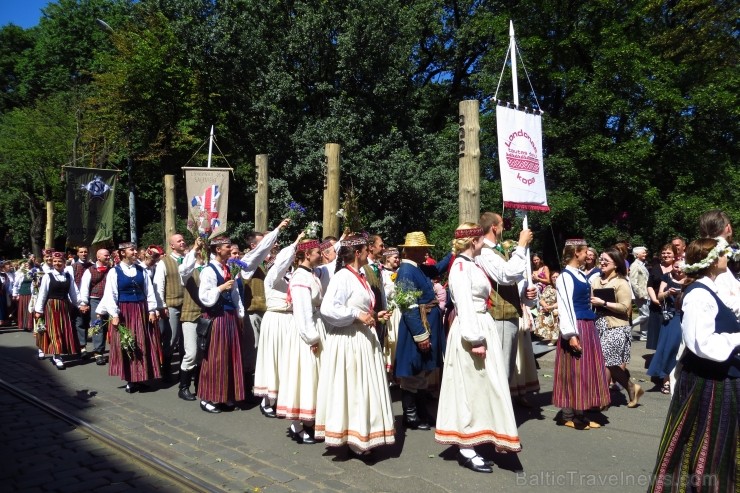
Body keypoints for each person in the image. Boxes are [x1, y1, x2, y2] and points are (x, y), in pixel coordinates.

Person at [649, 238, 739, 493]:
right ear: (711, 260)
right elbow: (701, 343)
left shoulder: (713, 289)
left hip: (721, 376)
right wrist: (738, 338)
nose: (727, 257)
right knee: (704, 442)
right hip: (708, 381)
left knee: (719, 442)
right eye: (723, 254)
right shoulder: (699, 294)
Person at [435, 224, 521, 474]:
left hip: (483, 325)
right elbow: (464, 305)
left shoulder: (472, 264)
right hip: (471, 331)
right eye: (481, 237)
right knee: (469, 388)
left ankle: (482, 435)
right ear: (473, 241)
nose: (484, 241)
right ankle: (466, 447)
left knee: (483, 386)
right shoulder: (461, 268)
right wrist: (475, 339)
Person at [316, 233, 394, 459]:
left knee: (363, 388)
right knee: (353, 388)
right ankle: (353, 438)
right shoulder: (342, 276)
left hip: (362, 339)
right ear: (358, 253)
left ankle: (362, 434)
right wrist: (356, 314)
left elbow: (359, 305)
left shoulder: (359, 275)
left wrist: (373, 314)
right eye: (365, 248)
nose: (369, 251)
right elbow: (328, 309)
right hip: (349, 340)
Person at [553, 239, 610, 430]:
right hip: (576, 326)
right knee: (574, 370)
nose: (588, 255)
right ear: (576, 252)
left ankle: (580, 413)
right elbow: (565, 307)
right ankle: (568, 414)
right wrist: (571, 334)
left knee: (584, 370)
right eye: (585, 251)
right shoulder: (565, 277)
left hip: (587, 325)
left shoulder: (579, 274)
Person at [394, 232, 446, 431]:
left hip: (427, 324)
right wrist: (420, 334)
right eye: (423, 249)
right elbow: (408, 306)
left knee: (422, 370)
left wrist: (453, 253)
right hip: (417, 326)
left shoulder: (417, 268)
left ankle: (422, 411)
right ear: (414, 250)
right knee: (413, 370)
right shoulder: (406, 271)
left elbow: (436, 269)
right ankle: (411, 415)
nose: (426, 252)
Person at [97, 242, 161, 393]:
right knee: (128, 343)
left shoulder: (141, 270)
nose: (135, 252)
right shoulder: (114, 272)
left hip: (141, 309)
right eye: (131, 250)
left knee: (142, 342)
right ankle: (130, 379)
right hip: (124, 311)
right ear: (123, 253)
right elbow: (110, 294)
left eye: (134, 249)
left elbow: (149, 290)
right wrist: (114, 314)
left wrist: (152, 310)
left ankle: (141, 376)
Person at [279, 238, 324, 444]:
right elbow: (303, 310)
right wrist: (311, 337)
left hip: (315, 326)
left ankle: (310, 420)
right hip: (304, 333)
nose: (320, 255)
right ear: (307, 254)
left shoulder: (311, 274)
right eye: (317, 252)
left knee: (312, 377)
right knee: (303, 376)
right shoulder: (300, 277)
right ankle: (298, 424)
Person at [252, 231, 302, 417]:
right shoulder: (271, 279)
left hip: (289, 321)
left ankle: (282, 397)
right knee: (273, 360)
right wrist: (296, 242)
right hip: (276, 321)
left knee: (286, 360)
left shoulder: (290, 279)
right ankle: (267, 400)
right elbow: (281, 263)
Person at [197, 236, 246, 413]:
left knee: (229, 357)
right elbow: (204, 296)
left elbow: (235, 295)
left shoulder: (228, 268)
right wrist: (220, 288)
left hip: (229, 317)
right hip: (216, 317)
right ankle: (208, 397)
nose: (230, 249)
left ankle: (224, 395)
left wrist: (240, 314)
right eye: (227, 247)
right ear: (218, 249)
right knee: (215, 358)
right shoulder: (208, 271)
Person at [590, 248, 643, 408]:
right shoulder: (596, 280)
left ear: (616, 264)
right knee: (611, 364)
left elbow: (625, 307)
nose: (602, 262)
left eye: (607, 260)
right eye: (602, 259)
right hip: (599, 325)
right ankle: (632, 387)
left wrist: (604, 303)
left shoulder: (621, 283)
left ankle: (602, 399)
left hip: (617, 327)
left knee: (606, 362)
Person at [153, 234, 192, 381]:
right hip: (172, 305)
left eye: (183, 240)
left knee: (187, 340)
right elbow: (159, 284)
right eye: (179, 241)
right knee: (172, 337)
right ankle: (166, 368)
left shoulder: (189, 259)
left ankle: (184, 370)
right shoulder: (165, 262)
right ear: (172, 246)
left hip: (188, 305)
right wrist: (161, 306)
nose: (182, 242)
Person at [33, 252, 80, 369]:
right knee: (54, 330)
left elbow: (74, 293)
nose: (57, 263)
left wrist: (80, 304)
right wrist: (38, 310)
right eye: (55, 261)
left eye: (60, 261)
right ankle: (57, 356)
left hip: (64, 306)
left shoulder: (68, 276)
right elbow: (42, 294)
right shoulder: (47, 276)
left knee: (63, 330)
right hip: (51, 306)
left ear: (64, 263)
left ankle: (59, 352)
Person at [646, 259, 686, 394]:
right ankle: (665, 379)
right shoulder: (667, 277)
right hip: (671, 317)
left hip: (685, 316)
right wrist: (668, 293)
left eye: (681, 268)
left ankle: (680, 380)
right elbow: (660, 295)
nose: (678, 270)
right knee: (668, 348)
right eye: (676, 267)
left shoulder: (690, 280)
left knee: (681, 350)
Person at [176, 237, 206, 401]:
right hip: (190, 315)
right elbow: (184, 268)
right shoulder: (187, 270)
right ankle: (183, 387)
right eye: (197, 251)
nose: (200, 252)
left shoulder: (207, 268)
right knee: (191, 353)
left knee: (202, 354)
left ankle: (199, 385)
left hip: (206, 316)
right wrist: (194, 248)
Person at [78, 249, 112, 366]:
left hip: (109, 301)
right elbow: (84, 287)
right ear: (98, 257)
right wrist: (84, 302)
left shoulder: (112, 270)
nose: (108, 257)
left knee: (110, 326)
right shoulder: (90, 271)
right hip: (95, 300)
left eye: (109, 255)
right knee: (97, 326)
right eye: (106, 256)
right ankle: (98, 353)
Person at [65, 246, 92, 358]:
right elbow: (71, 285)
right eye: (81, 252)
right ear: (78, 254)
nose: (84, 254)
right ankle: (82, 346)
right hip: (76, 299)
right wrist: (77, 301)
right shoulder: (72, 267)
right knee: (79, 322)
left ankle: (83, 345)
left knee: (87, 323)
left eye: (85, 252)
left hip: (91, 298)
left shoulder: (92, 266)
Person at [646, 244, 676, 347]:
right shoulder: (655, 268)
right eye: (663, 253)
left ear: (674, 255)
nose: (666, 255)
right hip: (656, 305)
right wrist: (654, 299)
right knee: (657, 333)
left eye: (669, 253)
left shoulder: (678, 268)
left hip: (672, 305)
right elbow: (649, 285)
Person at [629, 246, 650, 342]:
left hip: (646, 293)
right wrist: (639, 294)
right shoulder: (634, 265)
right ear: (637, 255)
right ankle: (630, 326)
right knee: (646, 315)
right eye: (643, 253)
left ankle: (644, 335)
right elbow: (633, 281)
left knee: (645, 314)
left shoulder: (642, 264)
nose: (645, 254)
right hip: (641, 294)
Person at [536, 271, 560, 344]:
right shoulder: (548, 287)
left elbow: (561, 301)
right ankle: (548, 335)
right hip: (547, 307)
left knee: (555, 313)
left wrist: (551, 307)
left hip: (556, 307)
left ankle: (555, 337)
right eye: (553, 277)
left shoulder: (562, 288)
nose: (555, 278)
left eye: (557, 277)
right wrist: (545, 306)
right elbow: (541, 299)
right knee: (541, 313)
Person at [12, 260, 36, 332]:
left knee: (31, 309)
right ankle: (24, 325)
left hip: (31, 293)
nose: (26, 266)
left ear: (31, 265)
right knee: (24, 309)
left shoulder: (35, 272)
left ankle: (31, 325)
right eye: (25, 265)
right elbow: (16, 284)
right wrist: (15, 294)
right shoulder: (21, 273)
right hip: (22, 292)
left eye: (28, 264)